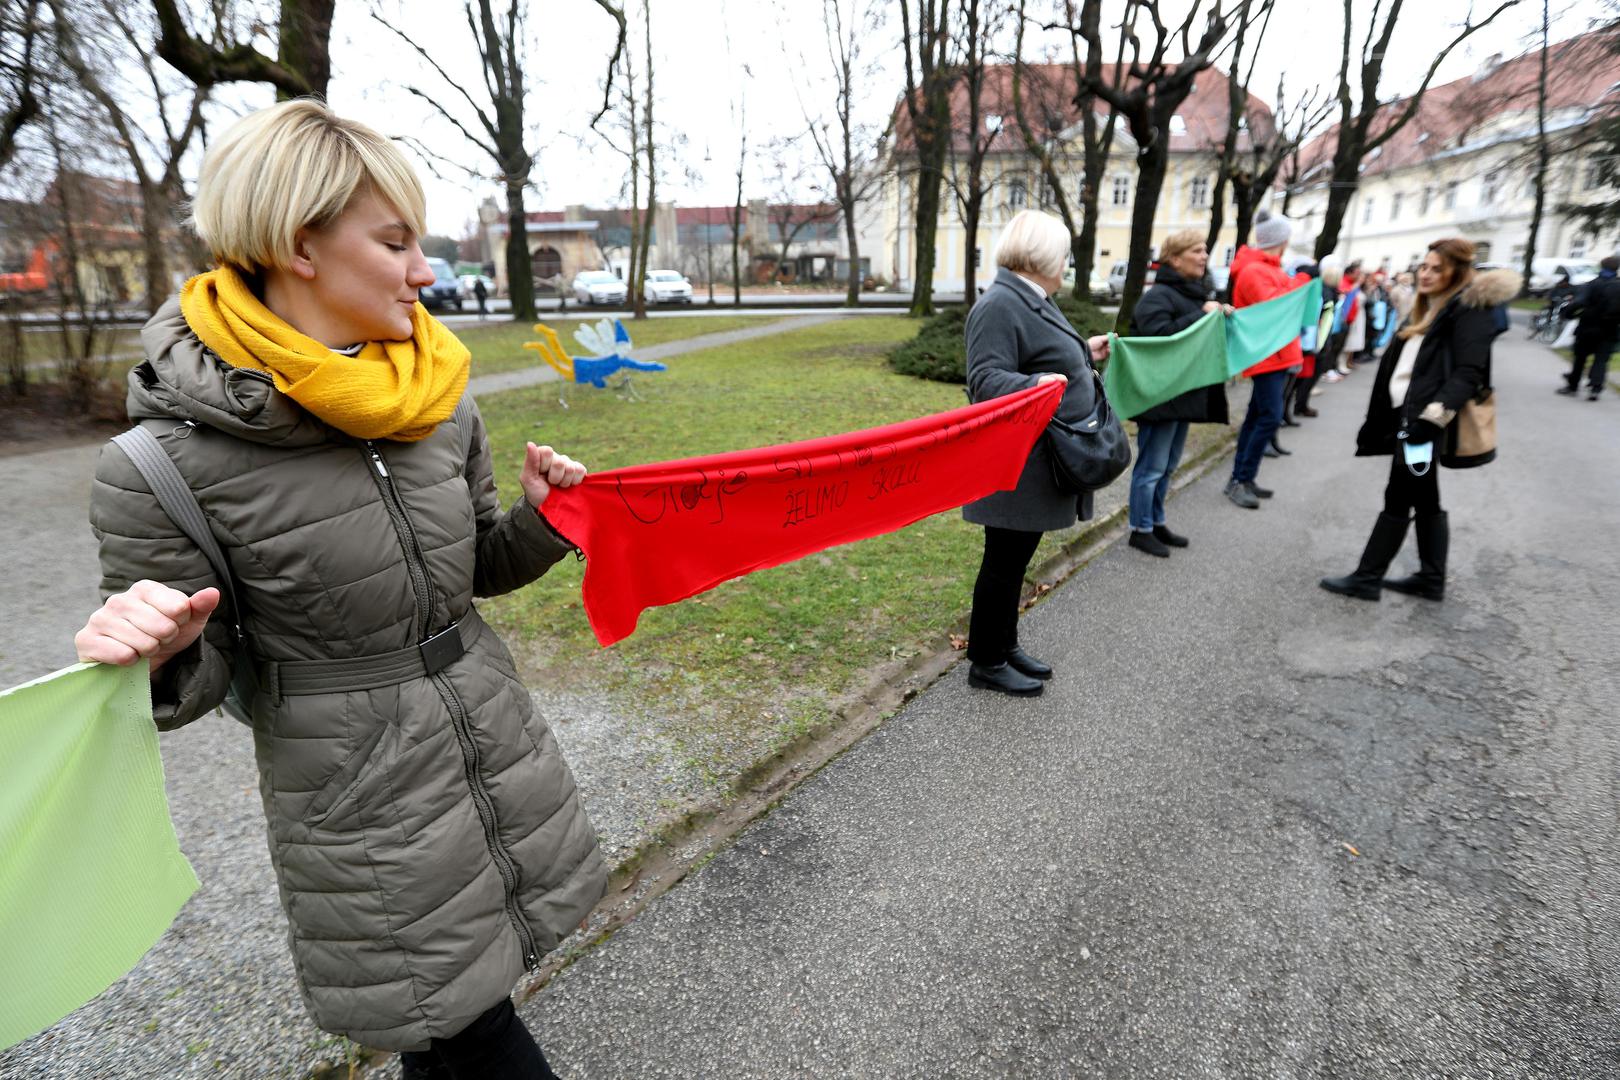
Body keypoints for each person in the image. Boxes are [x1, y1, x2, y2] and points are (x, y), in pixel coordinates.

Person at [70, 100, 605, 1078]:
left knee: (470, 1009)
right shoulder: (157, 465)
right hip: (362, 805)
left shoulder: (438, 400)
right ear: (298, 245)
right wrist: (154, 652)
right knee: (461, 1030)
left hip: (493, 744)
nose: (425, 270)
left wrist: (540, 521)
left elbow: (472, 569)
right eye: (396, 241)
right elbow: (191, 682)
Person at [961, 209, 1111, 697]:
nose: (1067, 263)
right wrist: (1037, 383)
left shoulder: (1031, 298)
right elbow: (984, 381)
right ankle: (985, 660)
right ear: (1044, 256)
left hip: (1035, 461)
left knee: (1014, 562)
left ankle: (1004, 646)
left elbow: (1042, 352)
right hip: (1014, 465)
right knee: (1002, 563)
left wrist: (1082, 353)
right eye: (1064, 254)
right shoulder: (1000, 304)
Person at [1320, 238, 1518, 601]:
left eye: (1436, 269)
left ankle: (1367, 578)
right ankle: (1430, 578)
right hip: (1410, 417)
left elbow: (1468, 372)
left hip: (1424, 424)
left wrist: (1432, 420)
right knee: (1424, 496)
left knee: (1399, 495)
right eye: (1423, 267)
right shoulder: (1431, 308)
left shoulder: (1468, 310)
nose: (1425, 274)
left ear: (1457, 273)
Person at [1125, 229, 1230, 556]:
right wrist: (1201, 316)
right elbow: (1158, 341)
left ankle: (1155, 521)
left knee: (1167, 466)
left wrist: (1216, 315)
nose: (1204, 257)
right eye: (1196, 251)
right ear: (1174, 258)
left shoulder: (1190, 293)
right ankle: (1139, 529)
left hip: (1180, 396)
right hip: (1159, 398)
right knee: (1151, 467)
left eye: (1205, 251)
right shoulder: (1157, 296)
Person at [1224, 209, 1307, 510]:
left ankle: (1243, 477)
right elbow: (1273, 307)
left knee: (1258, 416)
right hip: (1267, 355)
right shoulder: (1254, 271)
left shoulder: (1269, 268)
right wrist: (1300, 284)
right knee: (1269, 417)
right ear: (1281, 241)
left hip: (1278, 355)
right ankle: (1240, 479)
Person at [1558, 254, 1620, 401]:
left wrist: (1567, 314)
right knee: (1601, 360)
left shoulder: (1592, 285)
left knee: (1580, 358)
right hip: (1610, 329)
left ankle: (1573, 385)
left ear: (1601, 267)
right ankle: (1595, 388)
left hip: (1588, 326)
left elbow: (1578, 303)